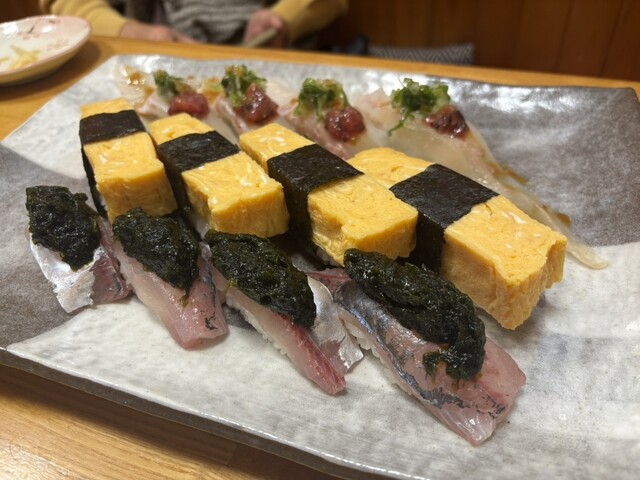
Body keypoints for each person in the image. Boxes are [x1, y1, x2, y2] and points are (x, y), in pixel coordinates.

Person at [39, 0, 348, 47]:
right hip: (147, 54)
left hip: (258, 50)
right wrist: (132, 32)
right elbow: (64, 4)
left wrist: (283, 19)